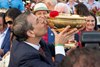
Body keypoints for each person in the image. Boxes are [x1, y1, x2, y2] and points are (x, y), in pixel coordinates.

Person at [8, 10, 78, 67]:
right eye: (38, 21)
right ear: (30, 33)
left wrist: (66, 43)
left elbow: (49, 49)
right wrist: (59, 45)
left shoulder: (34, 40)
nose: (43, 19)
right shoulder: (26, 58)